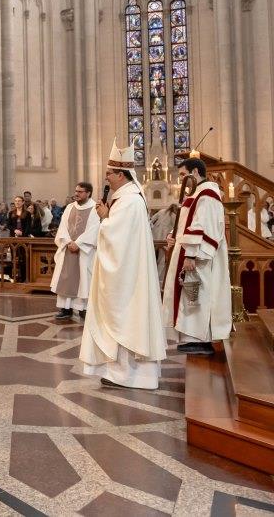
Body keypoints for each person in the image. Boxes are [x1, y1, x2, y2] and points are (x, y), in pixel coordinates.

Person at [80, 141, 166, 390]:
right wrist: (108, 217)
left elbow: (116, 239)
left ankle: (128, 375)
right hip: (127, 273)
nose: (106, 177)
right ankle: (124, 374)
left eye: (109, 173)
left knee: (125, 320)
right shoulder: (128, 198)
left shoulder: (129, 202)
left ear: (120, 175)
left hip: (126, 279)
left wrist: (104, 218)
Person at [162, 158, 231, 356]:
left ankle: (201, 339)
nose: (182, 180)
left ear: (195, 172)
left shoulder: (208, 194)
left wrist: (191, 255)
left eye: (183, 175)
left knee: (198, 294)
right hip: (189, 252)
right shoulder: (198, 193)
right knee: (191, 295)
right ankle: (191, 338)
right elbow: (188, 223)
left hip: (199, 256)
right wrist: (174, 236)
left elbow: (204, 226)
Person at [50, 182, 100, 321]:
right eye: (76, 191)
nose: (76, 194)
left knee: (85, 280)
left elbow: (94, 229)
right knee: (66, 278)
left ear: (88, 193)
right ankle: (66, 309)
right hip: (68, 249)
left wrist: (78, 244)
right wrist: (67, 242)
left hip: (84, 251)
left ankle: (84, 308)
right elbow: (63, 227)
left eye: (80, 192)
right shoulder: (70, 207)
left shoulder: (95, 208)